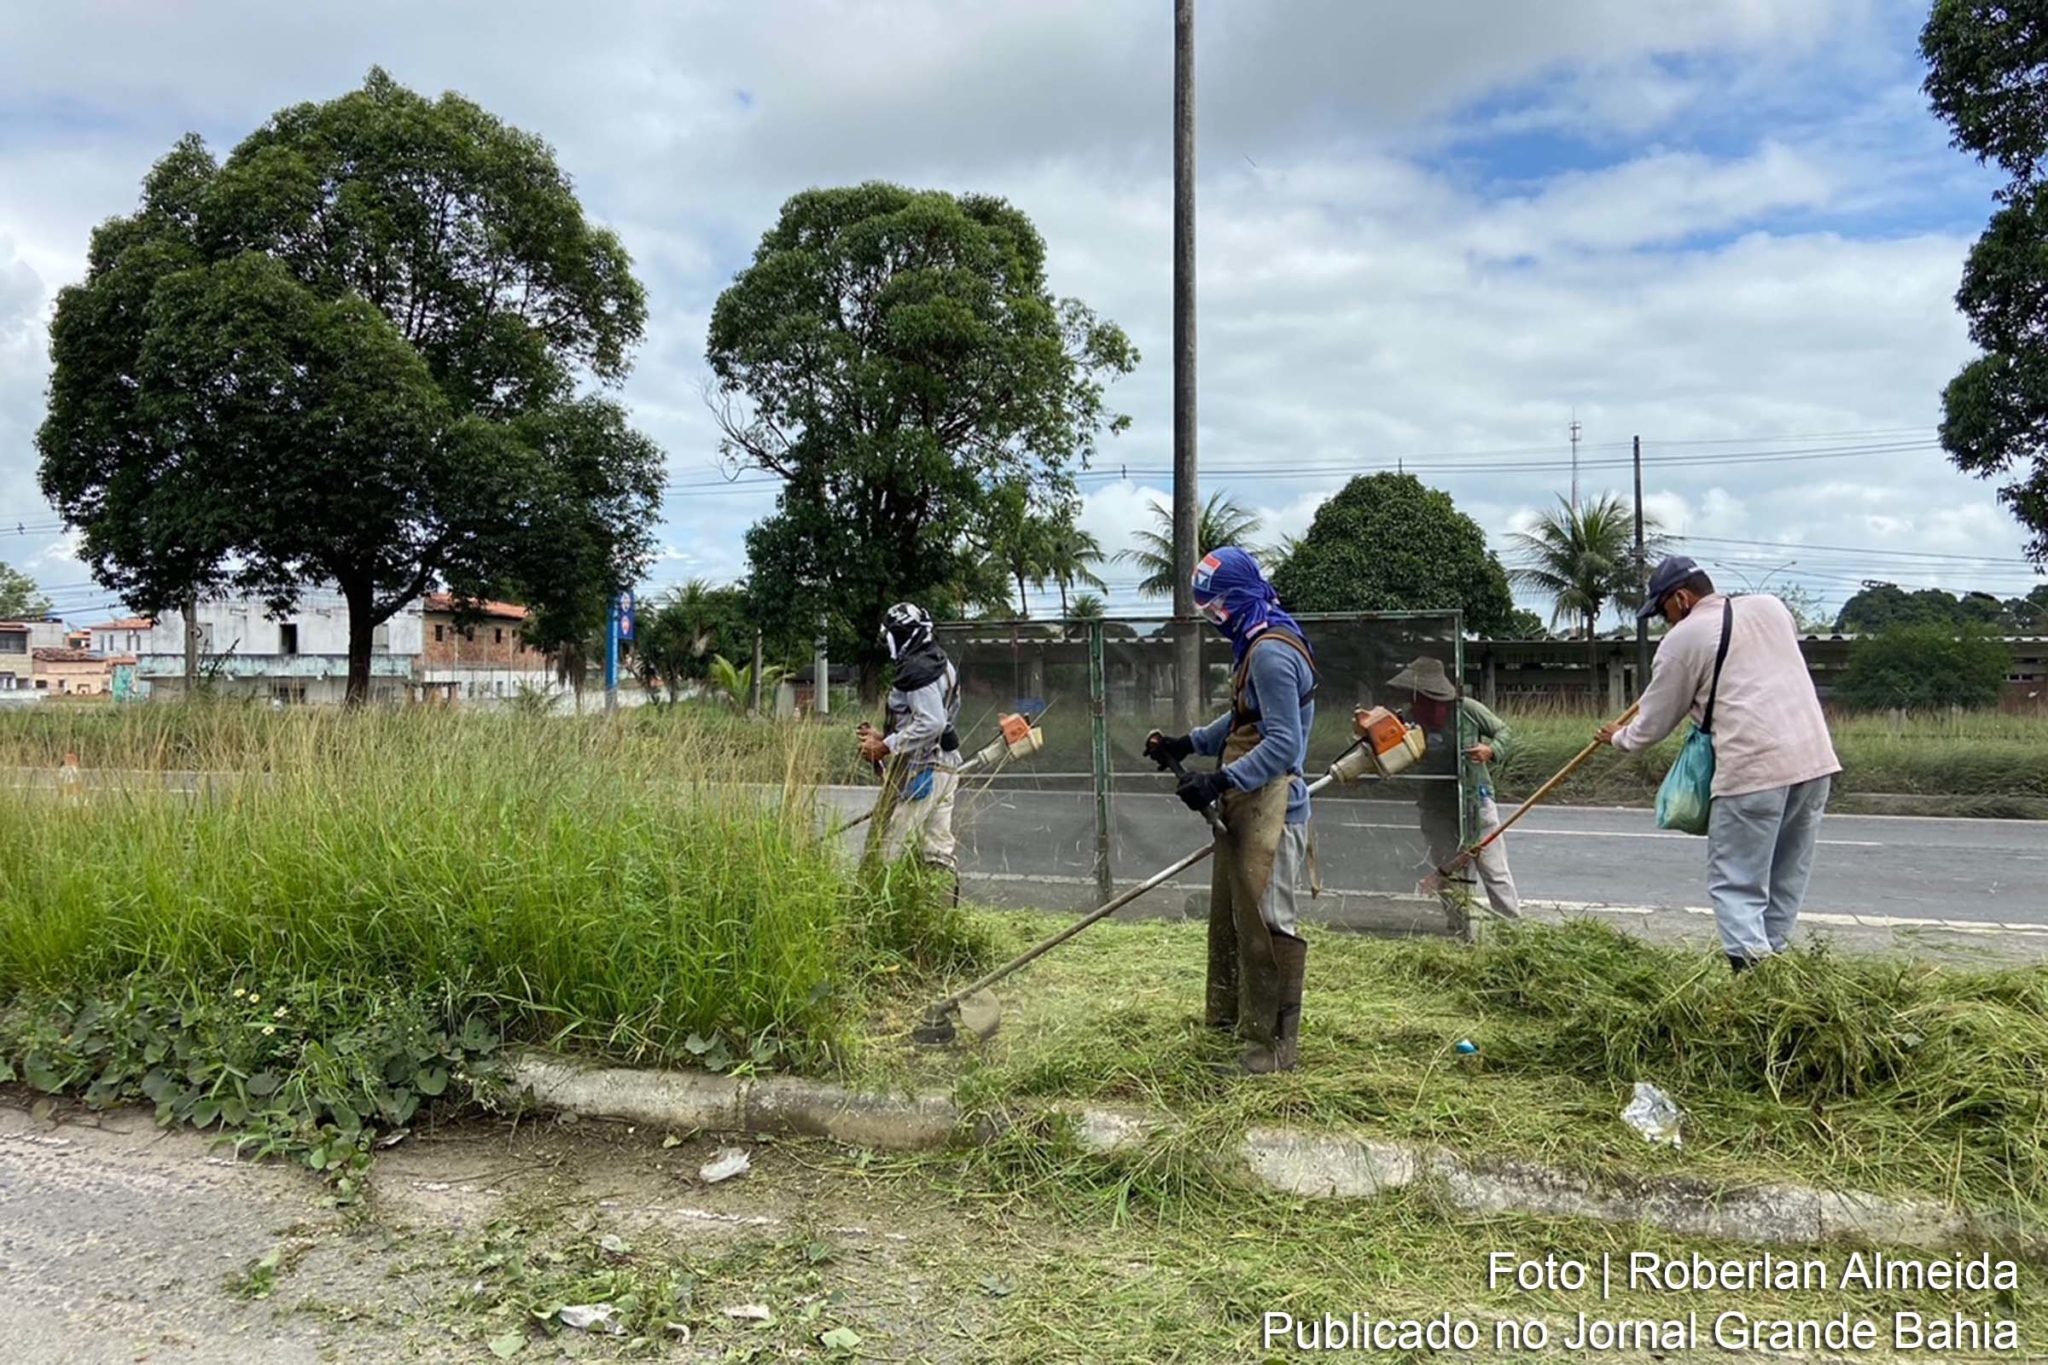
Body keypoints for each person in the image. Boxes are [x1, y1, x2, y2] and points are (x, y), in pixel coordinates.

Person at [1597, 556, 1840, 971]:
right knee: (1786, 875)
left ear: (1682, 598)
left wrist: (1617, 738)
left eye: (1663, 611)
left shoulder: (1682, 641)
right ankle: (1777, 963)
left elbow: (1651, 725)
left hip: (1753, 770)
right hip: (1813, 762)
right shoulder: (1770, 607)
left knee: (1736, 882)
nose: (1664, 621)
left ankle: (1753, 977)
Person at [1145, 547, 1317, 1073]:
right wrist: (1186, 743)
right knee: (1238, 921)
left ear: (1238, 599)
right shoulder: (1255, 643)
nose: (1214, 621)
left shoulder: (1270, 651)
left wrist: (1220, 778)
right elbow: (1242, 719)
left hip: (1274, 807)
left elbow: (1284, 743)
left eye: (1216, 610)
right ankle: (1234, 1026)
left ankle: (1274, 1049)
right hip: (1248, 801)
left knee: (1269, 925)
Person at [1385, 656, 1520, 919]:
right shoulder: (1410, 718)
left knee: (1494, 870)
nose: (1418, 701)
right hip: (1436, 804)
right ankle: (1458, 929)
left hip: (1473, 801)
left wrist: (1490, 750)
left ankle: (1511, 930)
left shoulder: (1467, 709)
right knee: (1448, 871)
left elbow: (1504, 732)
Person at [858, 603, 963, 892]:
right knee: (938, 849)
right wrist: (883, 736)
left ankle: (881, 910)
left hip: (921, 771)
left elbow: (932, 722)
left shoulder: (919, 670)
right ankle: (940, 914)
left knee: (891, 845)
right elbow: (941, 716)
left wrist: (886, 747)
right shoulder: (942, 664)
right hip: (947, 766)